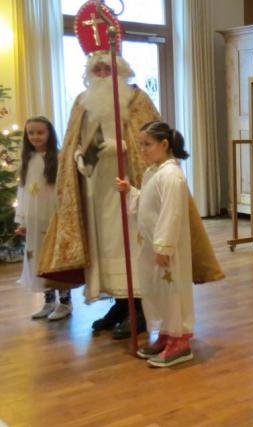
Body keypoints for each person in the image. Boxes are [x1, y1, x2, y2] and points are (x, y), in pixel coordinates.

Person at [38, 53, 159, 339]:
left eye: (108, 68)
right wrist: (79, 157)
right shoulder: (82, 101)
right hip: (95, 187)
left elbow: (151, 138)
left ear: (120, 71)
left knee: (129, 243)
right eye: (97, 69)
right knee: (104, 246)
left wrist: (122, 147)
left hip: (128, 185)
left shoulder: (136, 99)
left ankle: (139, 308)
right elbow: (73, 141)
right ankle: (119, 303)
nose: (103, 73)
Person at [116, 122, 208, 367]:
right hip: (150, 245)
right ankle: (167, 332)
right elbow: (149, 205)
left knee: (172, 290)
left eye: (147, 145)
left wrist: (164, 247)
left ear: (164, 144)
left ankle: (181, 341)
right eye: (141, 145)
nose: (142, 150)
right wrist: (131, 192)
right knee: (157, 291)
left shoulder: (171, 176)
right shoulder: (153, 172)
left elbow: (171, 213)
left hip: (166, 249)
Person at [15, 117, 68, 321]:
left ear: (49, 134)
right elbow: (23, 192)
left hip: (53, 217)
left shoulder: (59, 158)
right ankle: (48, 301)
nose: (35, 136)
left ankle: (65, 302)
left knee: (55, 259)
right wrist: (22, 220)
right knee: (38, 258)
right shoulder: (27, 159)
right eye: (31, 133)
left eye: (40, 132)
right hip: (34, 218)